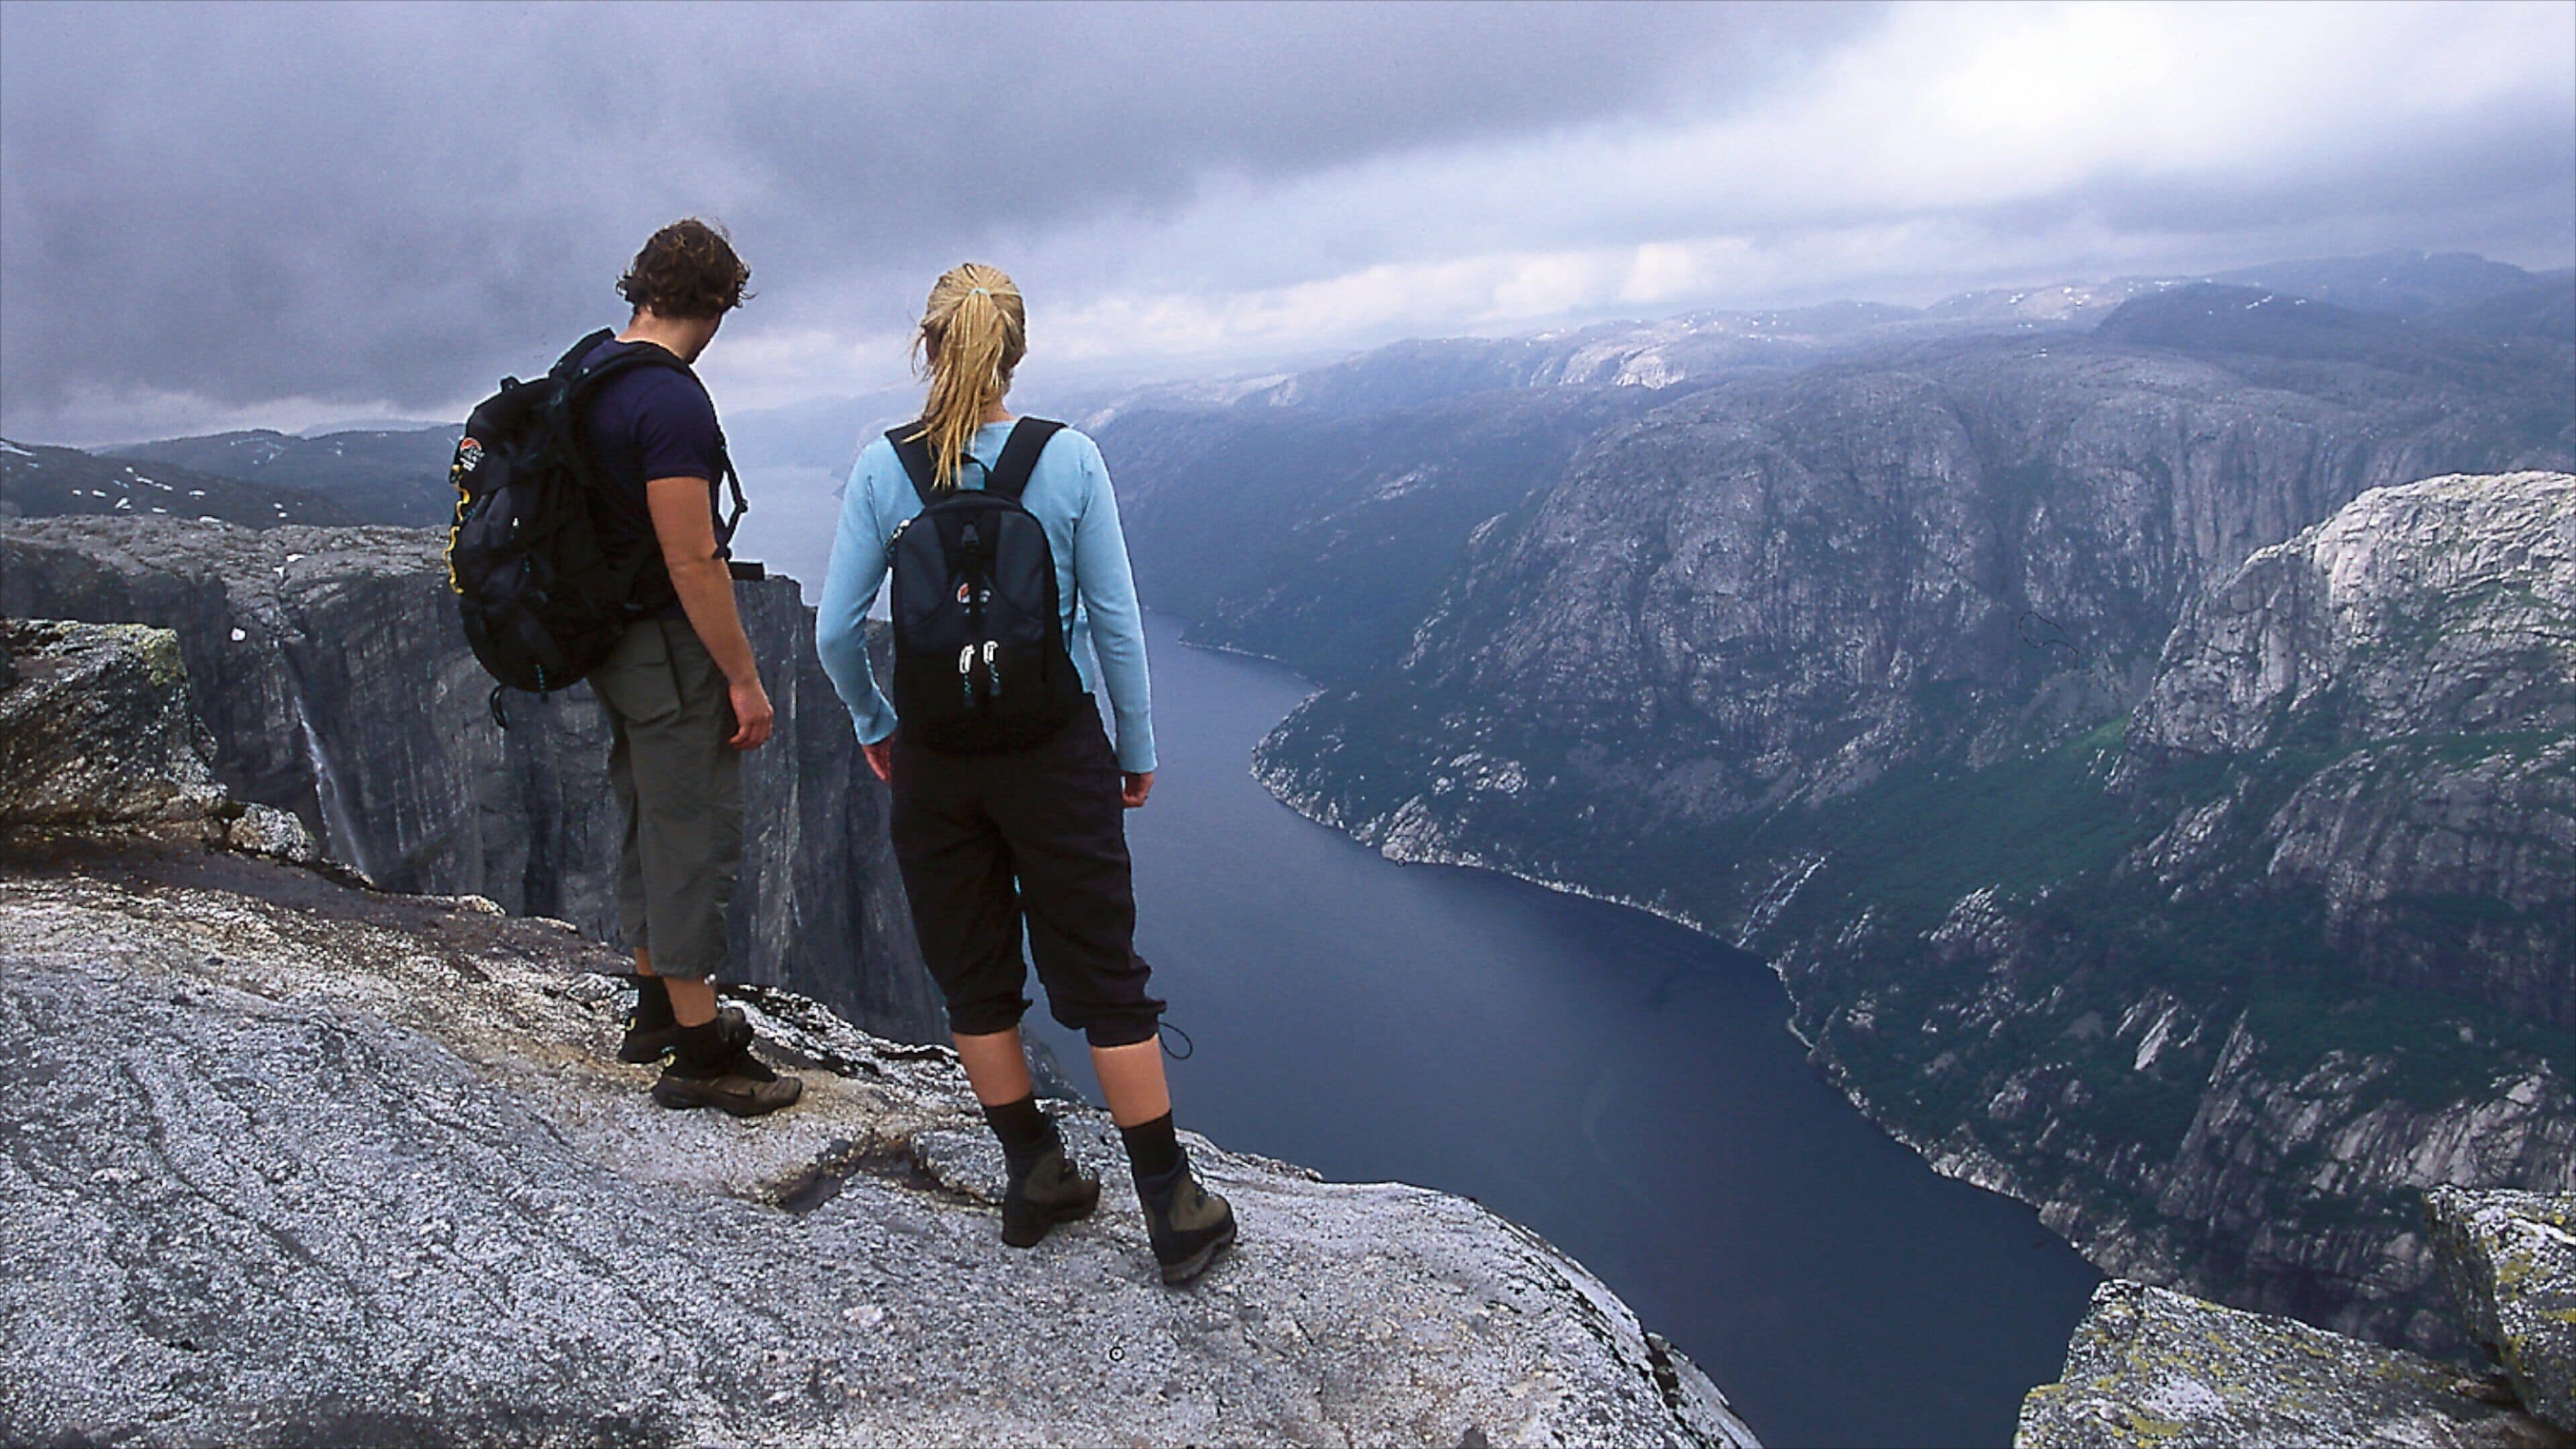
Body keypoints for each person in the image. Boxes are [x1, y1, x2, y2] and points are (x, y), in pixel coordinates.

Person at [815, 262, 1236, 1285]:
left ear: (929, 347)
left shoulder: (883, 466)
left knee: (975, 977)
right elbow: (1119, 627)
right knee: (1104, 980)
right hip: (1054, 755)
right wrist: (1134, 750)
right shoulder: (1071, 458)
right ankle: (1173, 1209)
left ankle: (1035, 1174)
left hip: (936, 764)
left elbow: (835, 633)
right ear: (1018, 350)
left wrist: (879, 725)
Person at [585, 218, 801, 1117]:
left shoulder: (592, 370)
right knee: (691, 838)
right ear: (716, 304)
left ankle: (653, 1008)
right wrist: (744, 679)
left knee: (646, 816)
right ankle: (702, 1055)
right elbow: (692, 557)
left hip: (611, 644)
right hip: (669, 651)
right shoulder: (669, 401)